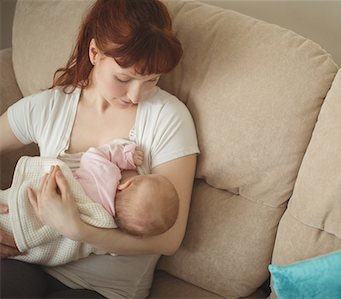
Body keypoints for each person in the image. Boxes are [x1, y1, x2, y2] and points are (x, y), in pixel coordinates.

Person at [0, 0, 199, 297]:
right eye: (123, 78)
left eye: (151, 80)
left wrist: (79, 231)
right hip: (32, 259)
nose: (136, 95)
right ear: (95, 53)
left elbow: (169, 239)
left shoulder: (168, 117)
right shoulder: (51, 107)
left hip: (102, 289)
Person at [75, 140, 179, 237]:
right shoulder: (106, 225)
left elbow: (91, 155)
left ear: (126, 184)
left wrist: (126, 156)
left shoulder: (107, 175)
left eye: (144, 175)